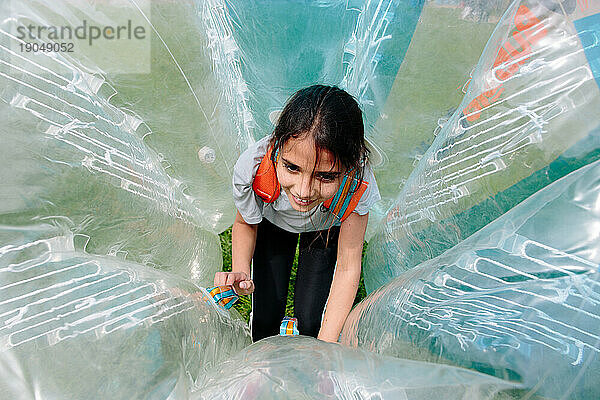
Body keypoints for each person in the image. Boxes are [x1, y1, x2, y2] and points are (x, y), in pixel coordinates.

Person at [214, 85, 381, 342]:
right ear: (277, 148)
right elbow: (245, 223)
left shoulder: (358, 183)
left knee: (311, 319)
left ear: (349, 167)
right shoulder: (253, 167)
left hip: (324, 228)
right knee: (266, 315)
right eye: (292, 168)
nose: (304, 191)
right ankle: (262, 363)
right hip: (274, 224)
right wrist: (240, 270)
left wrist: (324, 347)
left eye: (325, 176)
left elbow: (348, 266)